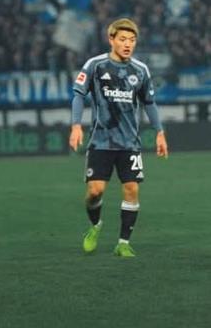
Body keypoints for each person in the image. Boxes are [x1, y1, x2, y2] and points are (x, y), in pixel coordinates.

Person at [69, 18, 168, 257]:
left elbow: (149, 103)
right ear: (111, 39)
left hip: (129, 143)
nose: (127, 44)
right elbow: (79, 95)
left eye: (132, 40)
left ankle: (123, 243)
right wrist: (76, 125)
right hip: (101, 141)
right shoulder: (95, 65)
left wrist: (160, 132)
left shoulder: (140, 70)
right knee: (95, 192)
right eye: (123, 39)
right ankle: (95, 225)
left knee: (131, 189)